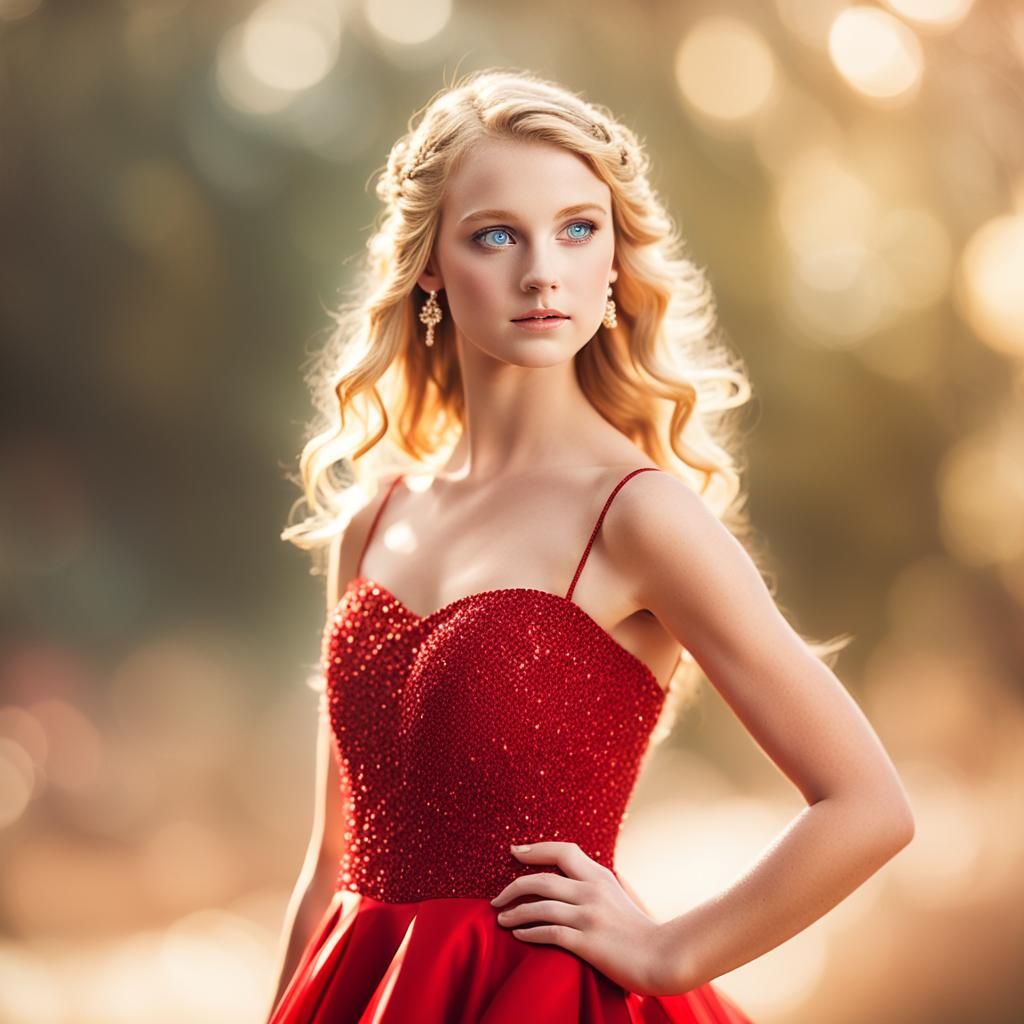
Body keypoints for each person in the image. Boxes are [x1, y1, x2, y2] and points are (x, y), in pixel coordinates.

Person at [266, 68, 915, 1022]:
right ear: (431, 265)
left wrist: (667, 950)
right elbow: (330, 859)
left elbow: (869, 806)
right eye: (497, 234)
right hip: (358, 990)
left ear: (613, 258)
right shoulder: (375, 514)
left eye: (578, 228)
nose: (543, 271)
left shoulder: (640, 515)